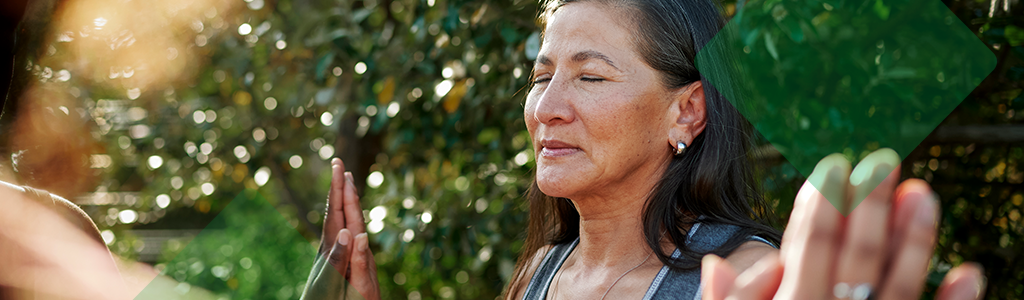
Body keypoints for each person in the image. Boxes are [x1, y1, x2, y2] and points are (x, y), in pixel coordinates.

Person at [308, 0, 986, 299]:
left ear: (687, 109)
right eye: (542, 75)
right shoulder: (541, 273)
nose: (546, 107)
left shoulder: (748, 277)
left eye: (590, 76)